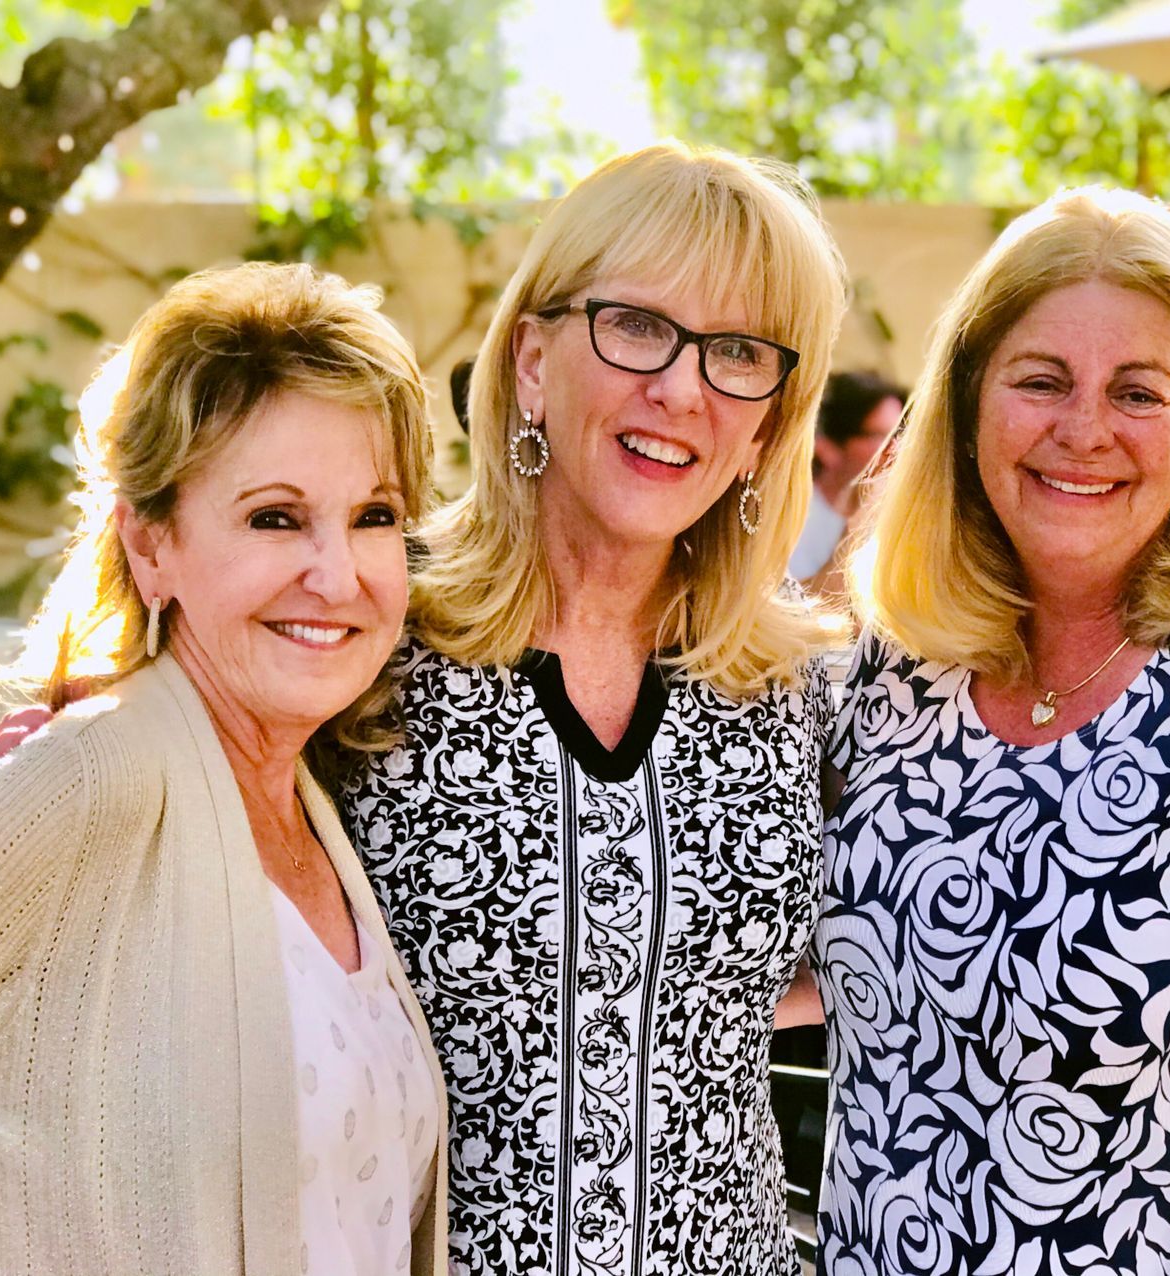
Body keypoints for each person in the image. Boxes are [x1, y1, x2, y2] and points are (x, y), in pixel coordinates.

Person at [816, 186, 1170, 1274]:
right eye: (1040, 381)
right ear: (968, 409)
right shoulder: (900, 669)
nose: (1084, 430)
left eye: (1138, 392)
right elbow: (853, 965)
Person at [337, 142, 847, 1276]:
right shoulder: (368, 636)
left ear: (768, 426)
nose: (682, 389)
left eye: (739, 353)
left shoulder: (801, 684)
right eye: (637, 326)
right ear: (531, 359)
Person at [0, 263, 448, 1274]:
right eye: (275, 517)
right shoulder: (88, 778)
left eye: (374, 515)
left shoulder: (313, 805)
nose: (338, 575)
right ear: (150, 544)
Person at [788, 369, 905, 580]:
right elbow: (798, 598)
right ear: (828, 447)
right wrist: (861, 524)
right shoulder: (793, 516)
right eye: (879, 436)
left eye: (899, 433)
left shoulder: (899, 520)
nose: (895, 448)